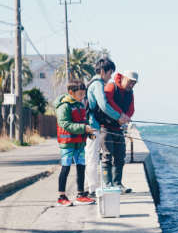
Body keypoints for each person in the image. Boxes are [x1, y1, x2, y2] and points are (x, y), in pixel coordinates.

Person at [84, 58, 130, 196]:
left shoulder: (92, 83)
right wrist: (119, 117)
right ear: (103, 71)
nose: (110, 77)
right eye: (110, 73)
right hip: (93, 127)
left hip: (93, 125)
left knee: (91, 156)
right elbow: (104, 105)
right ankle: (92, 190)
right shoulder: (97, 84)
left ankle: (93, 188)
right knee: (92, 157)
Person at [55, 79, 96, 206]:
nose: (82, 97)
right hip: (67, 143)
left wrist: (89, 132)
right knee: (65, 168)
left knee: (81, 167)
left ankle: (80, 194)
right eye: (80, 94)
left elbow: (84, 121)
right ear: (71, 92)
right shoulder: (64, 106)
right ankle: (61, 196)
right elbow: (65, 124)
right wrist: (84, 128)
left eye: (84, 94)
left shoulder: (80, 105)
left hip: (80, 143)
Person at [102, 70, 138, 193]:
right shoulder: (111, 86)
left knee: (120, 157)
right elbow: (107, 102)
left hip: (119, 129)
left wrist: (126, 117)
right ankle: (108, 184)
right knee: (107, 156)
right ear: (123, 78)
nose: (131, 85)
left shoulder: (130, 93)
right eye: (130, 82)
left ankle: (118, 184)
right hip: (106, 128)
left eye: (134, 84)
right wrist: (120, 115)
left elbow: (131, 108)